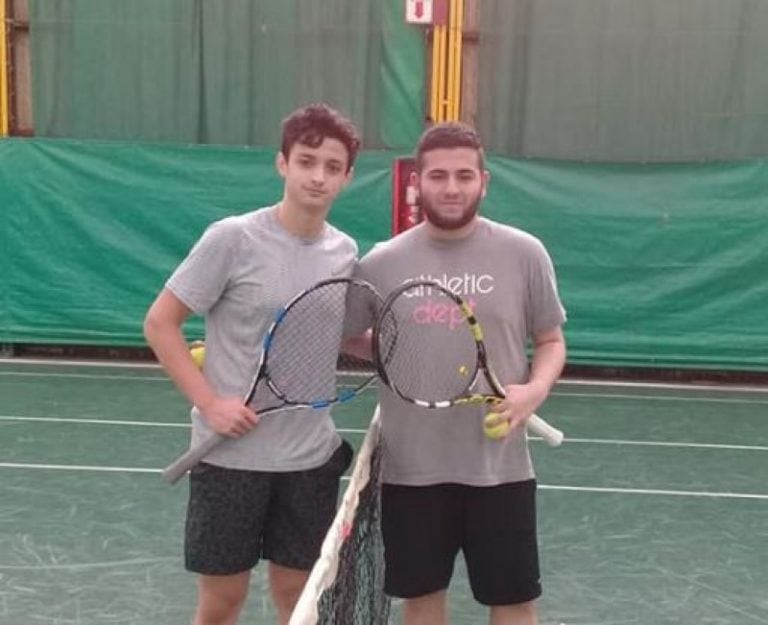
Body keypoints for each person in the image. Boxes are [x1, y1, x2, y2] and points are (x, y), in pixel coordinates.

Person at [144, 103, 360, 625]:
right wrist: (210, 402)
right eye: (307, 161)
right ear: (282, 164)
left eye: (332, 167)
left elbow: (342, 335)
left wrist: (421, 345)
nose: (318, 176)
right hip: (229, 460)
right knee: (222, 603)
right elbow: (160, 323)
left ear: (347, 178)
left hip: (309, 461)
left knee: (298, 601)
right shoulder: (232, 238)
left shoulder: (344, 252)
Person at [354, 122, 567, 625]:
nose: (452, 187)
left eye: (464, 176)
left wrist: (534, 391)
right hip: (411, 472)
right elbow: (346, 334)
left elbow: (552, 340)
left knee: (514, 602)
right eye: (439, 176)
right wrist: (400, 356)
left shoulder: (525, 253)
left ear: (484, 182)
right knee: (423, 601)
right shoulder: (381, 264)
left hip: (501, 471)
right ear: (417, 182)